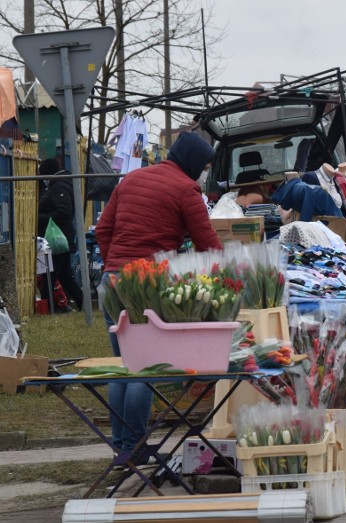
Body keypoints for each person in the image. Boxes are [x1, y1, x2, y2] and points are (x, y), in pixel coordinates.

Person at [95, 131, 222, 459]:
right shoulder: (186, 189)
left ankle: (123, 448)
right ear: (193, 161)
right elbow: (207, 244)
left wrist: (115, 266)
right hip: (146, 285)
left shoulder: (132, 179)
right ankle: (135, 448)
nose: (204, 172)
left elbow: (102, 229)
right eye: (204, 165)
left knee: (123, 364)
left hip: (111, 280)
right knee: (145, 367)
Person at [37, 157, 85, 312]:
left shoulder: (58, 187)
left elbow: (64, 211)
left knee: (49, 274)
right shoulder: (63, 184)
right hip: (62, 237)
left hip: (57, 238)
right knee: (63, 274)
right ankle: (82, 302)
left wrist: (39, 219)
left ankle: (48, 306)